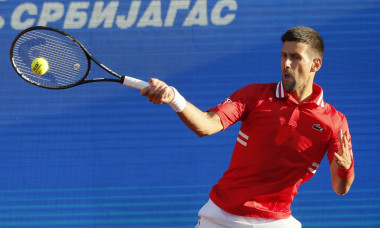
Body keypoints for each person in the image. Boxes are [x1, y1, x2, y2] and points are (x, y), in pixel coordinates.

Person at [140, 26, 355, 228]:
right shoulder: (255, 95)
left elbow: (340, 188)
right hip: (220, 217)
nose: (286, 64)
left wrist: (344, 169)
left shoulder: (334, 122)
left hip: (276, 222)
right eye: (283, 56)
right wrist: (174, 98)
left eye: (295, 57)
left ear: (315, 64)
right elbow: (206, 125)